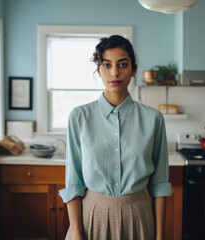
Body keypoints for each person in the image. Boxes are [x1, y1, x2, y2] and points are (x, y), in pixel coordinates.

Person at [59, 35, 172, 240]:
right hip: (91, 219)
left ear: (134, 69)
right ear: (98, 70)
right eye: (106, 64)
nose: (114, 72)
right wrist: (76, 234)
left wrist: (160, 237)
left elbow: (160, 184)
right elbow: (73, 183)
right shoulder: (79, 117)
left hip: (139, 219)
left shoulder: (153, 119)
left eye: (123, 64)